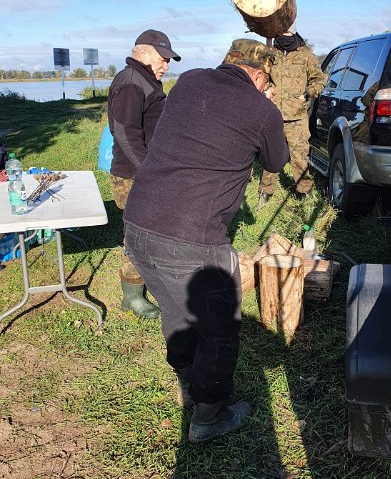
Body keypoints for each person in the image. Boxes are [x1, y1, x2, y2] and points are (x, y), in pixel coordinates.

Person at [123, 39, 288, 443]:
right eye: (267, 82)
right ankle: (209, 415)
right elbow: (276, 161)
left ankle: (187, 382)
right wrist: (267, 107)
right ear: (259, 75)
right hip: (192, 239)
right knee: (219, 329)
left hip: (138, 226)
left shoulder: (190, 80)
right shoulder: (262, 108)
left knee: (176, 310)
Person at [108, 29, 181, 318]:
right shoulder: (130, 82)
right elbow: (124, 132)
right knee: (139, 236)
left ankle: (151, 281)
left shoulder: (144, 80)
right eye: (164, 58)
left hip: (148, 172)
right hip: (133, 176)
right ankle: (132, 297)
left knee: (152, 231)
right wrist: (148, 170)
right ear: (145, 52)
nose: (167, 65)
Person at [258, 24, 326, 204]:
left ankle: (304, 192)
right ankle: (265, 192)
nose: (285, 32)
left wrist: (308, 93)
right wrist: (267, 88)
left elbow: (319, 80)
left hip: (297, 115)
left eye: (289, 29)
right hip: (273, 113)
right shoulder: (272, 53)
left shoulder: (305, 54)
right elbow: (262, 76)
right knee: (271, 154)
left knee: (299, 156)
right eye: (282, 29)